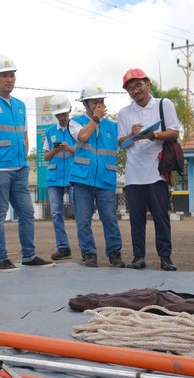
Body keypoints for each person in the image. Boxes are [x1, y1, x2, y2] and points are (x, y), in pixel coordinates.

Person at [0, 55, 54, 272]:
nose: (9, 79)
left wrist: (24, 159)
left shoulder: (20, 106)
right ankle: (0, 258)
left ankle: (29, 256)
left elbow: (25, 136)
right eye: (4, 75)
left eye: (11, 75)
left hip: (20, 169)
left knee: (27, 213)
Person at [117, 68, 179, 271]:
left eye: (138, 85)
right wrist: (132, 136)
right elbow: (121, 144)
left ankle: (165, 257)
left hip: (156, 173)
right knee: (137, 219)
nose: (135, 91)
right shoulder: (125, 113)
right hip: (134, 175)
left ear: (147, 84)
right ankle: (138, 257)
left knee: (161, 218)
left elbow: (174, 132)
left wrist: (153, 136)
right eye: (130, 89)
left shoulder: (164, 104)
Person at [68, 84, 125, 268]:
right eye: (95, 102)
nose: (99, 105)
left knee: (109, 218)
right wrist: (95, 119)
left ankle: (114, 254)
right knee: (83, 219)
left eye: (101, 101)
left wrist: (133, 133)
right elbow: (83, 136)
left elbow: (122, 144)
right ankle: (89, 254)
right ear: (85, 103)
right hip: (82, 178)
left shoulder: (112, 126)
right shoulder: (75, 122)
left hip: (106, 178)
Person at [44, 94, 75, 260]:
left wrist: (69, 148)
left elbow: (82, 151)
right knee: (56, 213)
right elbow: (45, 157)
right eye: (58, 115)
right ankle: (63, 247)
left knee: (80, 211)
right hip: (54, 176)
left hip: (73, 175)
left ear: (69, 110)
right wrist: (55, 150)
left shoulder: (76, 128)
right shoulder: (50, 131)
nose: (62, 117)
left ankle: (87, 248)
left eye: (64, 114)